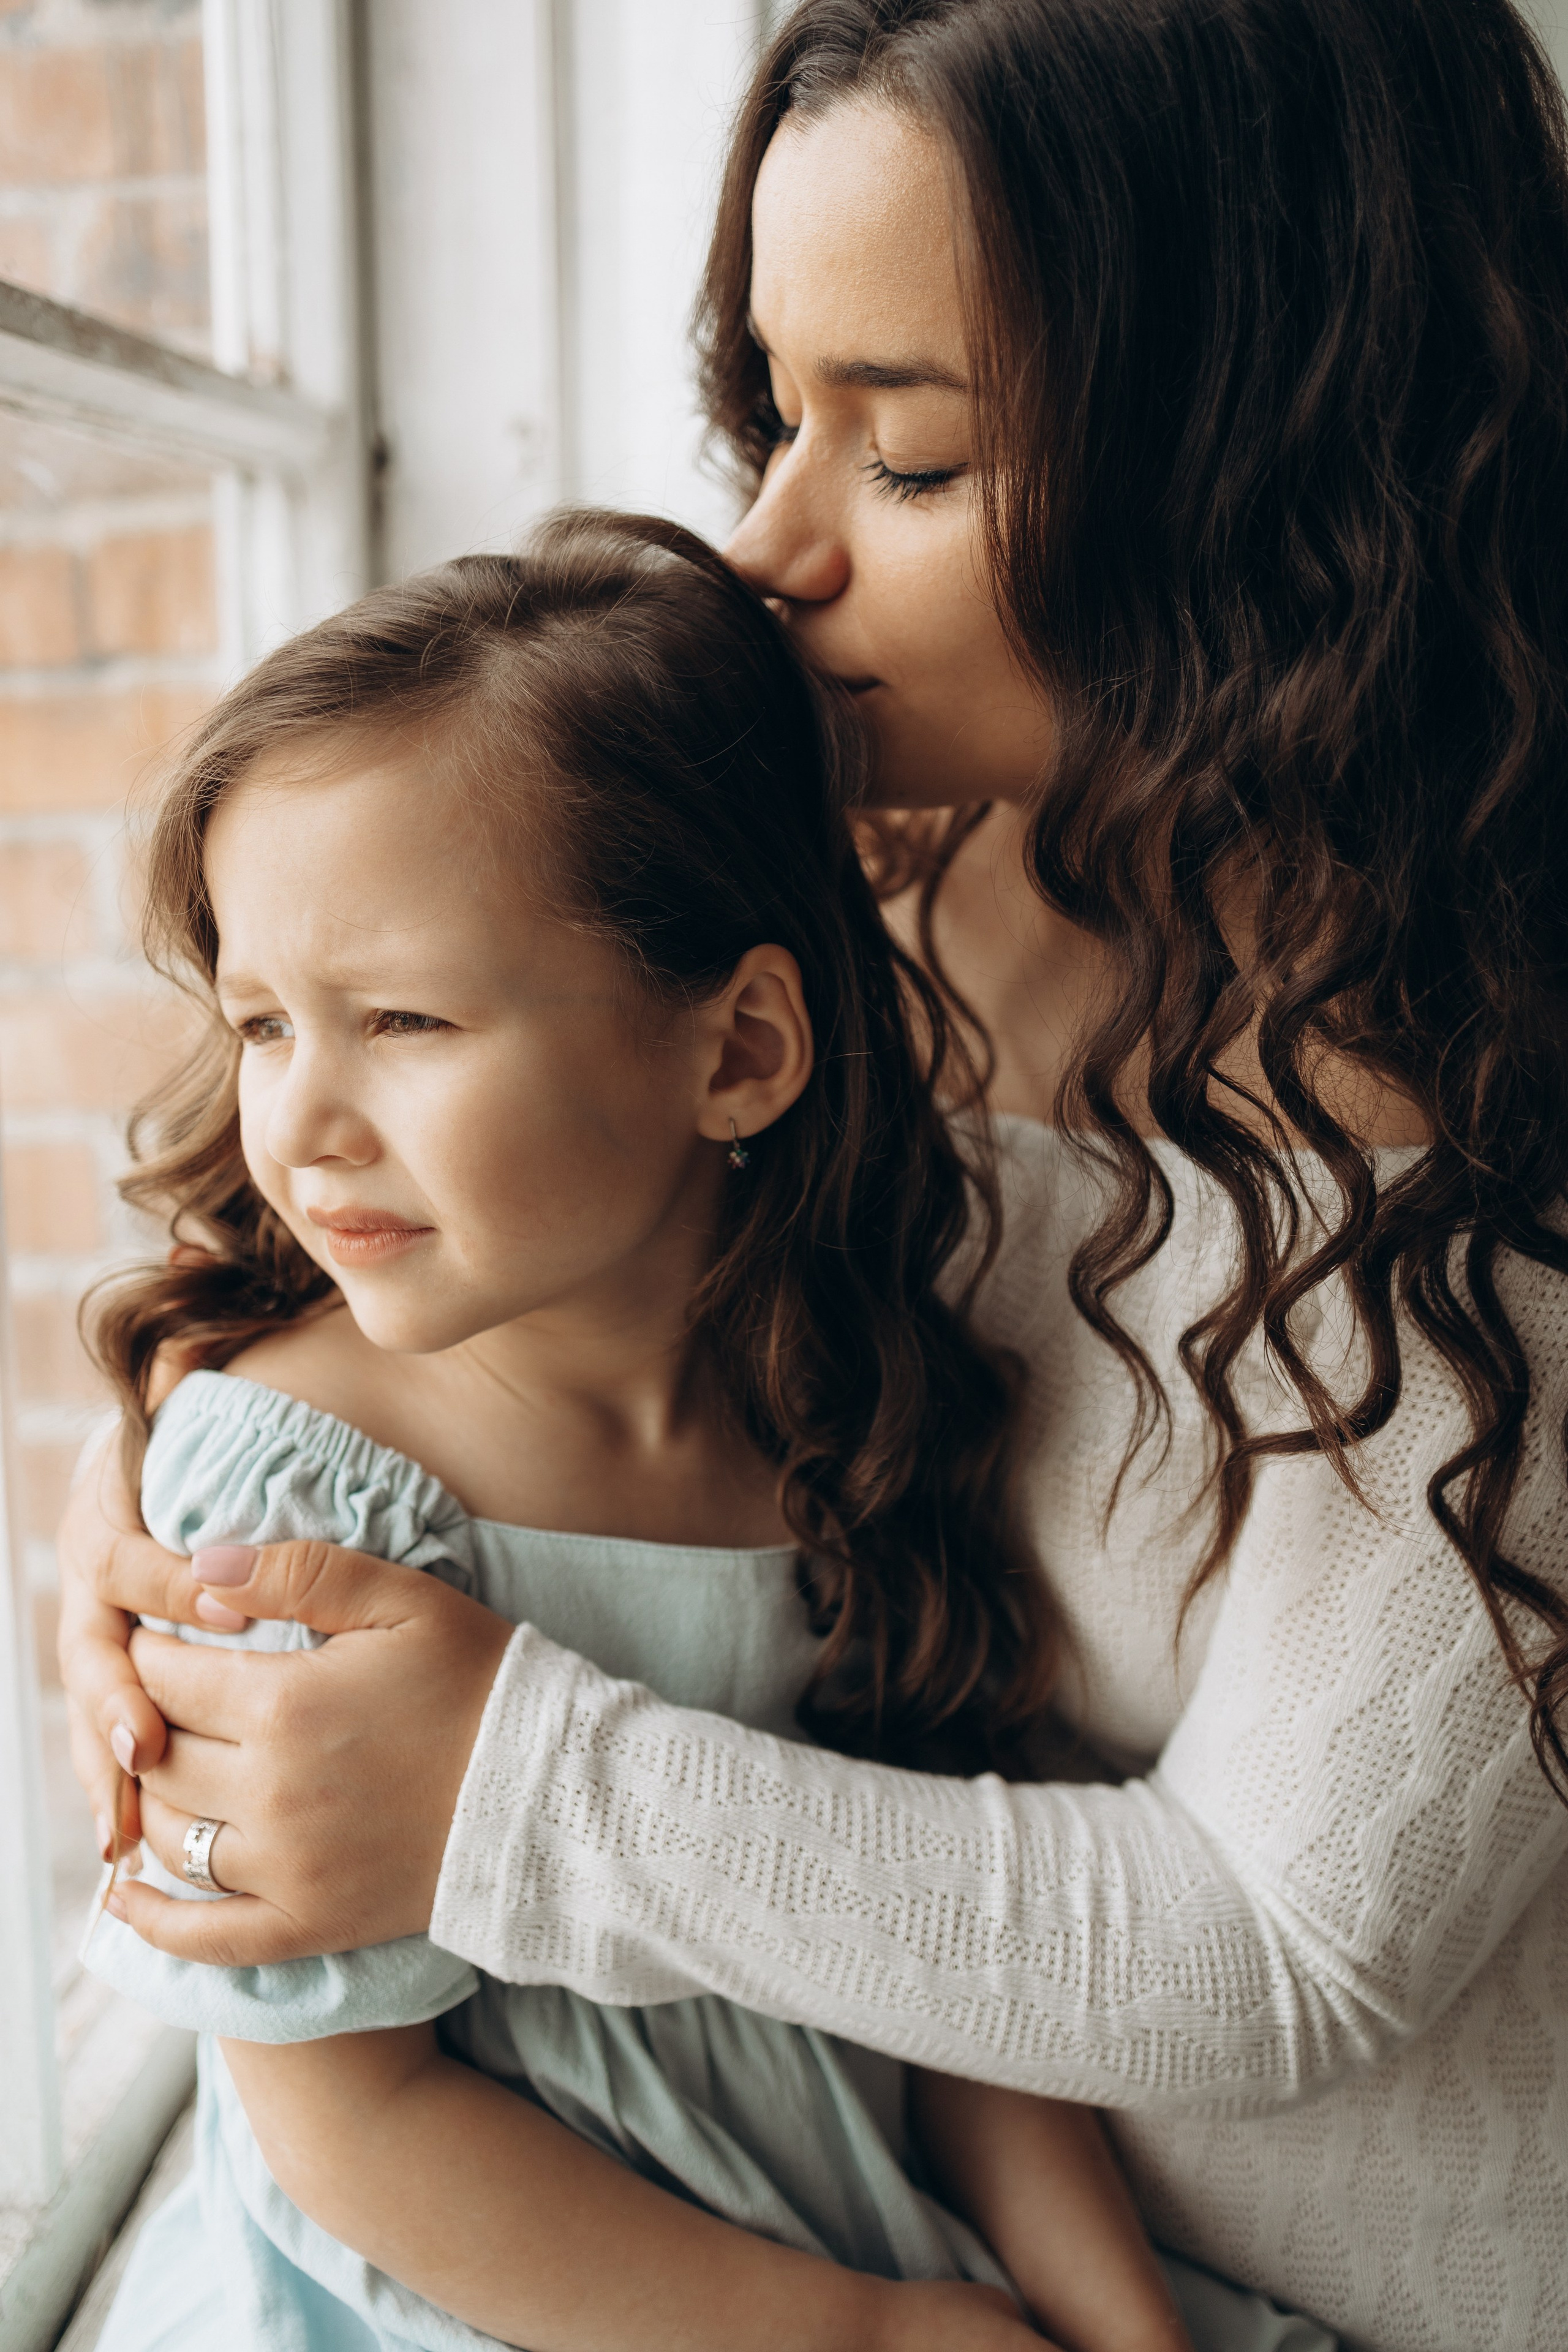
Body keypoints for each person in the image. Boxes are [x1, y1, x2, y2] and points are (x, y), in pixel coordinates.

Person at [59, 4, 1568, 2346]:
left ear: (1266, 475)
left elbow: (1285, 1949)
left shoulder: (1494, 1124)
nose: (769, 549)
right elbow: (379, 1182)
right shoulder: (845, 864)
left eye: (918, 461)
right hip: (870, 2215)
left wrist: (496, 1783)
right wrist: (167, 1521)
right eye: (777, 411)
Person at [80, 510, 1226, 2352]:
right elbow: (349, 2121)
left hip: (857, 2255)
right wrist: (864, 2340)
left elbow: (947, 1986)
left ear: (739, 1052)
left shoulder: (845, 1424)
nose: (301, 1122)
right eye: (261, 1025)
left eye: (402, 1018)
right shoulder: (299, 1497)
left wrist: (1118, 2330)